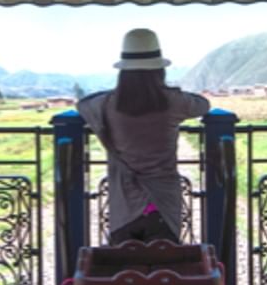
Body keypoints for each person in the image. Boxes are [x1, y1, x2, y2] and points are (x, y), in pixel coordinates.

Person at [77, 29, 210, 244]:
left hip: (124, 203)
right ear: (159, 70)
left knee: (124, 260)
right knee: (164, 259)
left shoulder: (107, 104)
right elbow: (203, 104)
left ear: (123, 72)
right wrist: (172, 91)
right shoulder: (173, 101)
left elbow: (83, 104)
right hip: (163, 202)